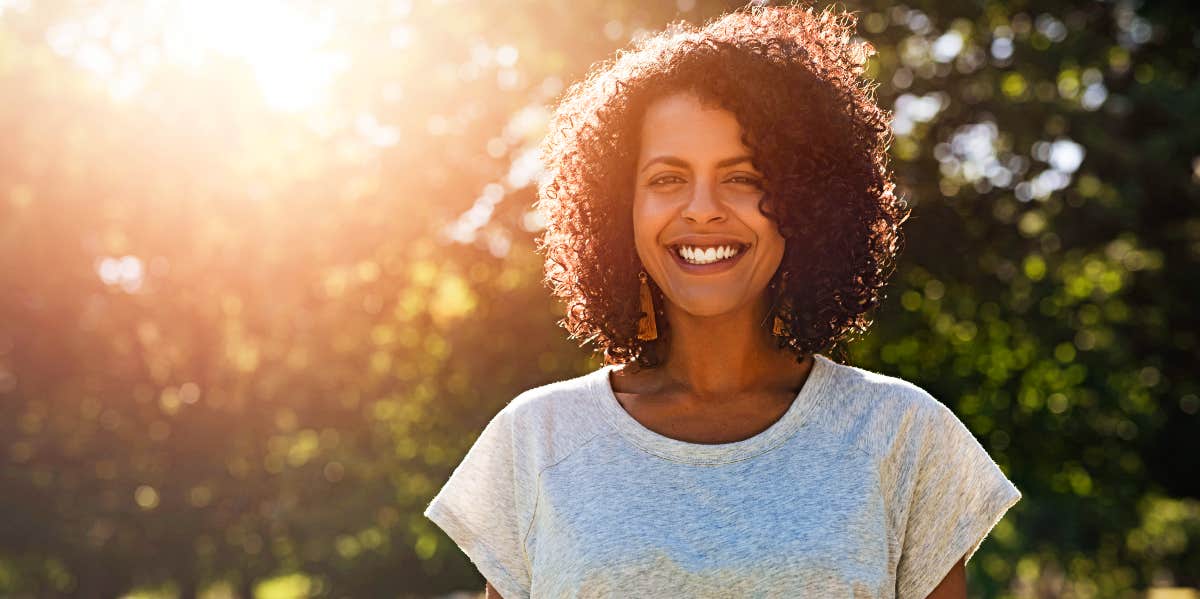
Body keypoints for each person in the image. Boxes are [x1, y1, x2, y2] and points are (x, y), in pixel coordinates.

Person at [423, 3, 1021, 598]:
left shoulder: (903, 434)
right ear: (616, 210)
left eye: (743, 177)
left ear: (806, 201)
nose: (703, 207)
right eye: (666, 179)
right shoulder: (537, 438)